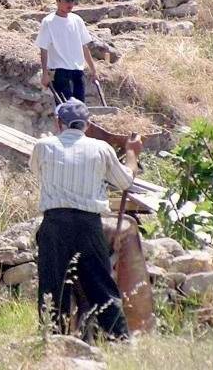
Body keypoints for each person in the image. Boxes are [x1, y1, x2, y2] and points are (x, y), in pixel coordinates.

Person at [29, 98, 142, 341]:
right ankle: (120, 340)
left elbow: (37, 170)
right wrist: (132, 154)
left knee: (52, 286)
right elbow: (125, 181)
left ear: (59, 123)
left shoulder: (44, 145)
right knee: (101, 285)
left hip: (55, 223)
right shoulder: (101, 149)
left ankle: (52, 340)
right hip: (88, 225)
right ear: (87, 125)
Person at [37, 0, 97, 103]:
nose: (70, 4)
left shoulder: (77, 20)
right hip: (60, 72)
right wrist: (45, 73)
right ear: (58, 0)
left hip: (77, 71)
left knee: (79, 110)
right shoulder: (49, 22)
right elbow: (43, 49)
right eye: (67, 1)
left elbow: (84, 46)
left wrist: (93, 70)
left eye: (73, 1)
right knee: (66, 109)